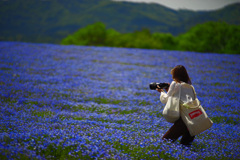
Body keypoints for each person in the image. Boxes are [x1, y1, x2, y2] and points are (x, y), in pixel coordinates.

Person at [156, 65, 195, 146]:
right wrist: (170, 91)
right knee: (185, 146)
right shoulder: (190, 87)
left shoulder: (175, 84)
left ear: (175, 75)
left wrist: (162, 92)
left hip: (183, 121)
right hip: (193, 120)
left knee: (165, 142)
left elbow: (165, 100)